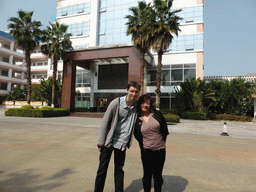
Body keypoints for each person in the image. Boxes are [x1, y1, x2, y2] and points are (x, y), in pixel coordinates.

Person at [94, 81, 141, 192]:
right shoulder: (116, 103)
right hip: (108, 142)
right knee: (102, 170)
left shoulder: (136, 106)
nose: (134, 94)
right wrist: (100, 142)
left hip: (122, 143)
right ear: (127, 90)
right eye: (132, 91)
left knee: (119, 170)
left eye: (136, 92)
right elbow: (104, 123)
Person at [134, 94, 169, 192]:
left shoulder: (157, 114)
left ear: (151, 105)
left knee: (158, 176)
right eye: (143, 103)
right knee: (147, 175)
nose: (145, 105)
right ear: (139, 104)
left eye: (148, 103)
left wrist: (160, 142)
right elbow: (136, 134)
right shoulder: (137, 118)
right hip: (146, 151)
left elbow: (165, 130)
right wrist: (144, 144)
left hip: (160, 150)